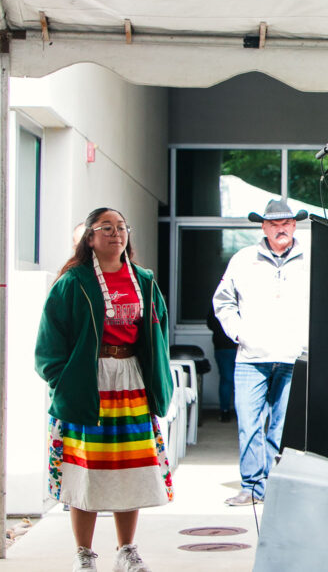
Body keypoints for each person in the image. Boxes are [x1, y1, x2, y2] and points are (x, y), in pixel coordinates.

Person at [35, 207, 173, 572]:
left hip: (131, 382)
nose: (116, 234)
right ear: (90, 238)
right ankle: (85, 554)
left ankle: (127, 550)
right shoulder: (73, 282)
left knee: (132, 467)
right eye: (106, 228)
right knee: (87, 471)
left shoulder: (143, 280)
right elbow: (50, 341)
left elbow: (158, 333)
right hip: (89, 384)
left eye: (121, 227)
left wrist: (159, 379)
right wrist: (63, 382)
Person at [213, 199, 310, 506]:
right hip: (251, 357)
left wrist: (311, 340)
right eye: (274, 224)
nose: (280, 229)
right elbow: (223, 301)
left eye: (286, 223)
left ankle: (274, 483)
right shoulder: (243, 259)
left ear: (295, 225)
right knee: (250, 423)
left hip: (295, 355)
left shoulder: (312, 257)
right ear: (263, 227)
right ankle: (253, 485)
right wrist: (239, 333)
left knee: (283, 426)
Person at [206, 307, 237, 422]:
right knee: (240, 381)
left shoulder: (219, 300)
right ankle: (240, 413)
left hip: (223, 345)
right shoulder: (245, 297)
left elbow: (210, 323)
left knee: (226, 379)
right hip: (238, 346)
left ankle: (225, 412)